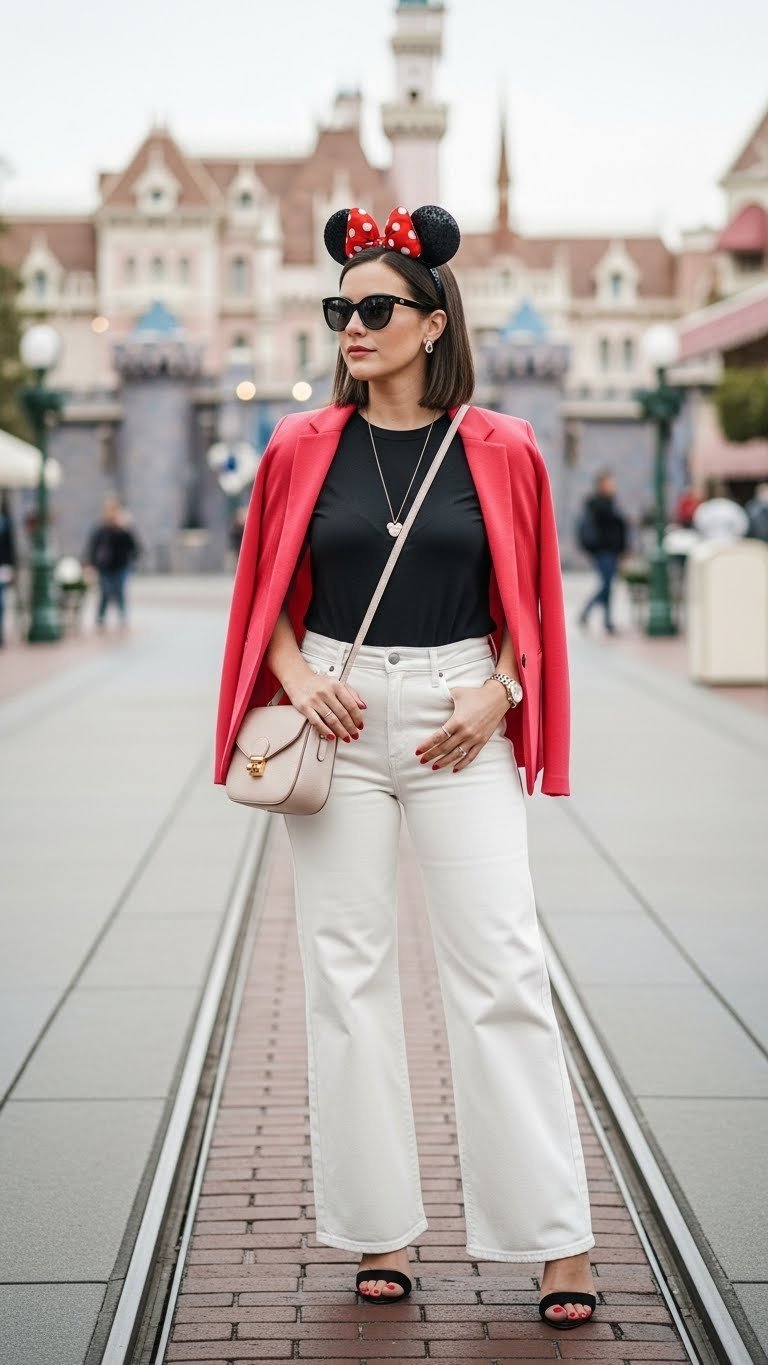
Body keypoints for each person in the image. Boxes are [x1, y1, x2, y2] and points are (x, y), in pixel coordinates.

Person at [214, 203, 596, 1329]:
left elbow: (527, 598)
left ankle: (555, 1242)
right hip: (334, 709)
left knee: (502, 970)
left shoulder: (504, 448)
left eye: (374, 308)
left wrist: (501, 691)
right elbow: (265, 600)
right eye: (340, 310)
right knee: (346, 978)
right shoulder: (298, 447)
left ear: (434, 324)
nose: (352, 326)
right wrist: (299, 673)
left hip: (458, 712)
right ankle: (379, 1229)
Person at [576, 470, 628, 634]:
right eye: (609, 483)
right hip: (603, 551)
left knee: (608, 586)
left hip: (610, 551)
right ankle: (587, 612)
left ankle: (607, 621)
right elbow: (613, 527)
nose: (613, 486)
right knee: (606, 586)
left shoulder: (609, 503)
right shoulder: (599, 505)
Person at [85, 495, 141, 629]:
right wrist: (90, 564)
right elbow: (93, 546)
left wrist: (123, 530)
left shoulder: (125, 529)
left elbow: (134, 547)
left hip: (121, 565)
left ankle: (122, 616)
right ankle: (101, 617)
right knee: (105, 591)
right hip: (105, 566)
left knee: (120, 591)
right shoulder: (101, 529)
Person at [0, 491, 17, 647]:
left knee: (1, 601)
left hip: (2, 567)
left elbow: (10, 547)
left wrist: (11, 566)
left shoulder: (5, 521)